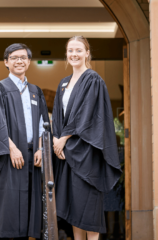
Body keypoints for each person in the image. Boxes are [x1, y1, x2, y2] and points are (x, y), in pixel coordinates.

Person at [52, 36, 122, 240]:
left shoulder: (93, 80)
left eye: (78, 50)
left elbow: (86, 114)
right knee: (75, 210)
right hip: (66, 153)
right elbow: (57, 115)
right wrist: (57, 139)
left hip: (86, 152)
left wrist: (63, 138)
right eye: (70, 50)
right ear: (66, 54)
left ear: (87, 53)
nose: (74, 54)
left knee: (88, 208)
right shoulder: (63, 83)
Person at [0, 43, 50, 240]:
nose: (19, 61)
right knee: (8, 210)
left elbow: (42, 123)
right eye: (13, 57)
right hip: (8, 156)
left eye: (23, 57)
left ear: (28, 62)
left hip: (32, 157)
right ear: (6, 62)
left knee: (30, 213)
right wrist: (11, 148)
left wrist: (40, 148)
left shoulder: (36, 92)